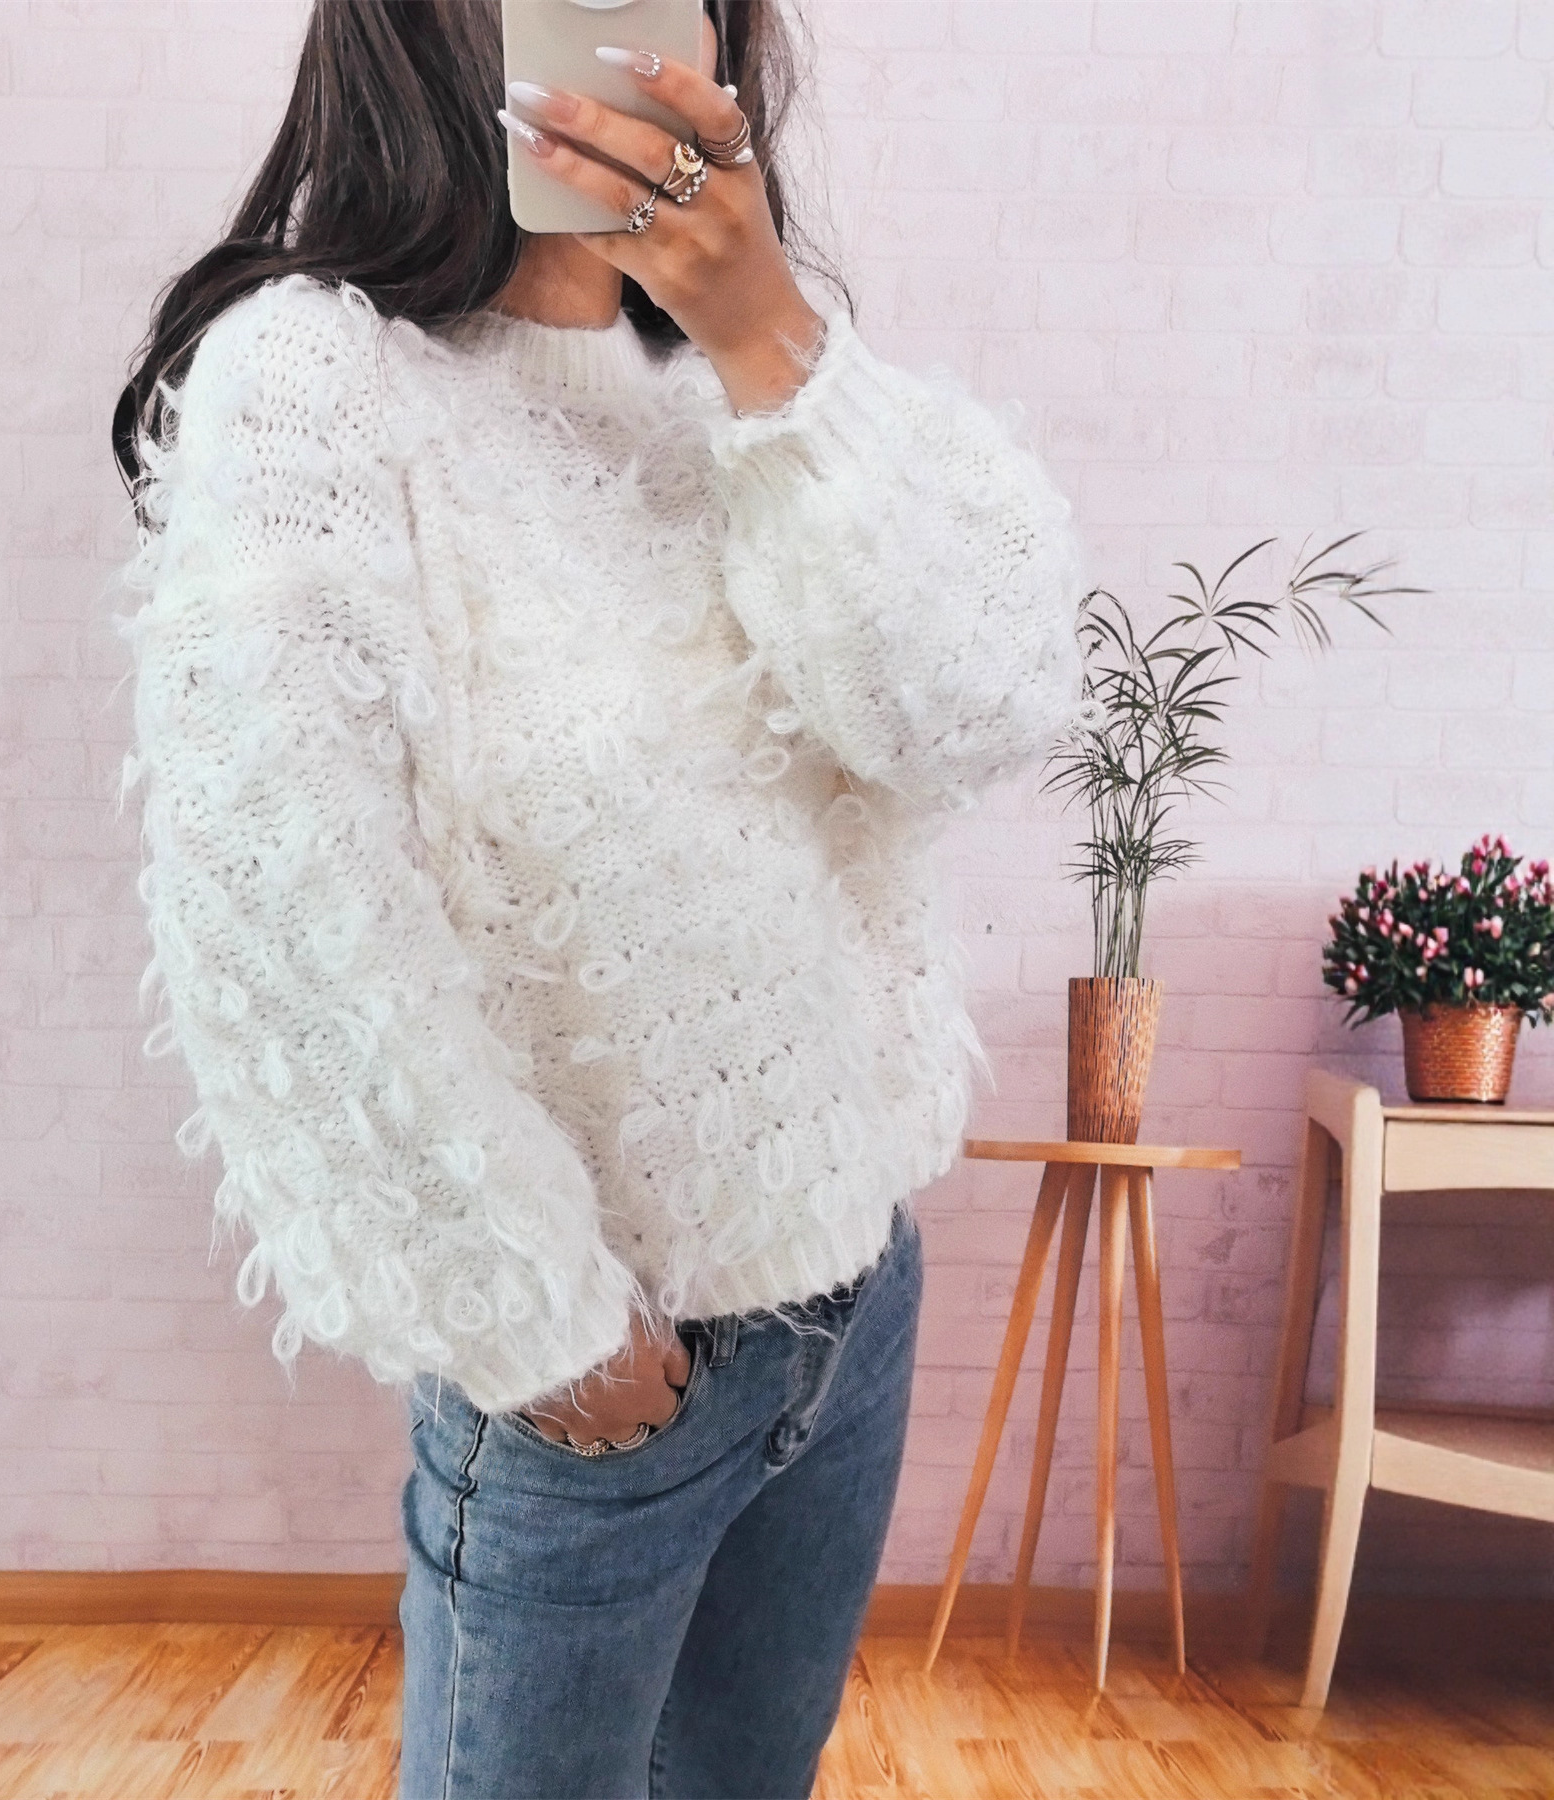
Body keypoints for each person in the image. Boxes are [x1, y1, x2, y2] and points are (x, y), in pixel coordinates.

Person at [112, 3, 1095, 1794]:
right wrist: (538, 1323)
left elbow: (979, 705)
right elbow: (288, 909)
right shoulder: (315, 383)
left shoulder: (750, 381)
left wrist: (769, 334)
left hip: (850, 1309)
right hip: (594, 1394)